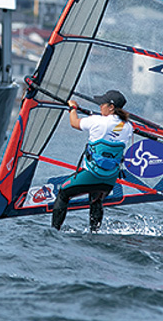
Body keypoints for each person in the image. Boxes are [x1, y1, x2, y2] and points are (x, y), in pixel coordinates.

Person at [52, 90, 134, 232]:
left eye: (103, 104)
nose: (100, 106)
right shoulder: (128, 127)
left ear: (111, 107)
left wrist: (73, 108)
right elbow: (116, 128)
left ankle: (54, 231)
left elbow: (74, 123)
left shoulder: (97, 121)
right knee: (96, 199)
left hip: (91, 174)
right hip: (109, 180)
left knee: (63, 193)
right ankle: (94, 232)